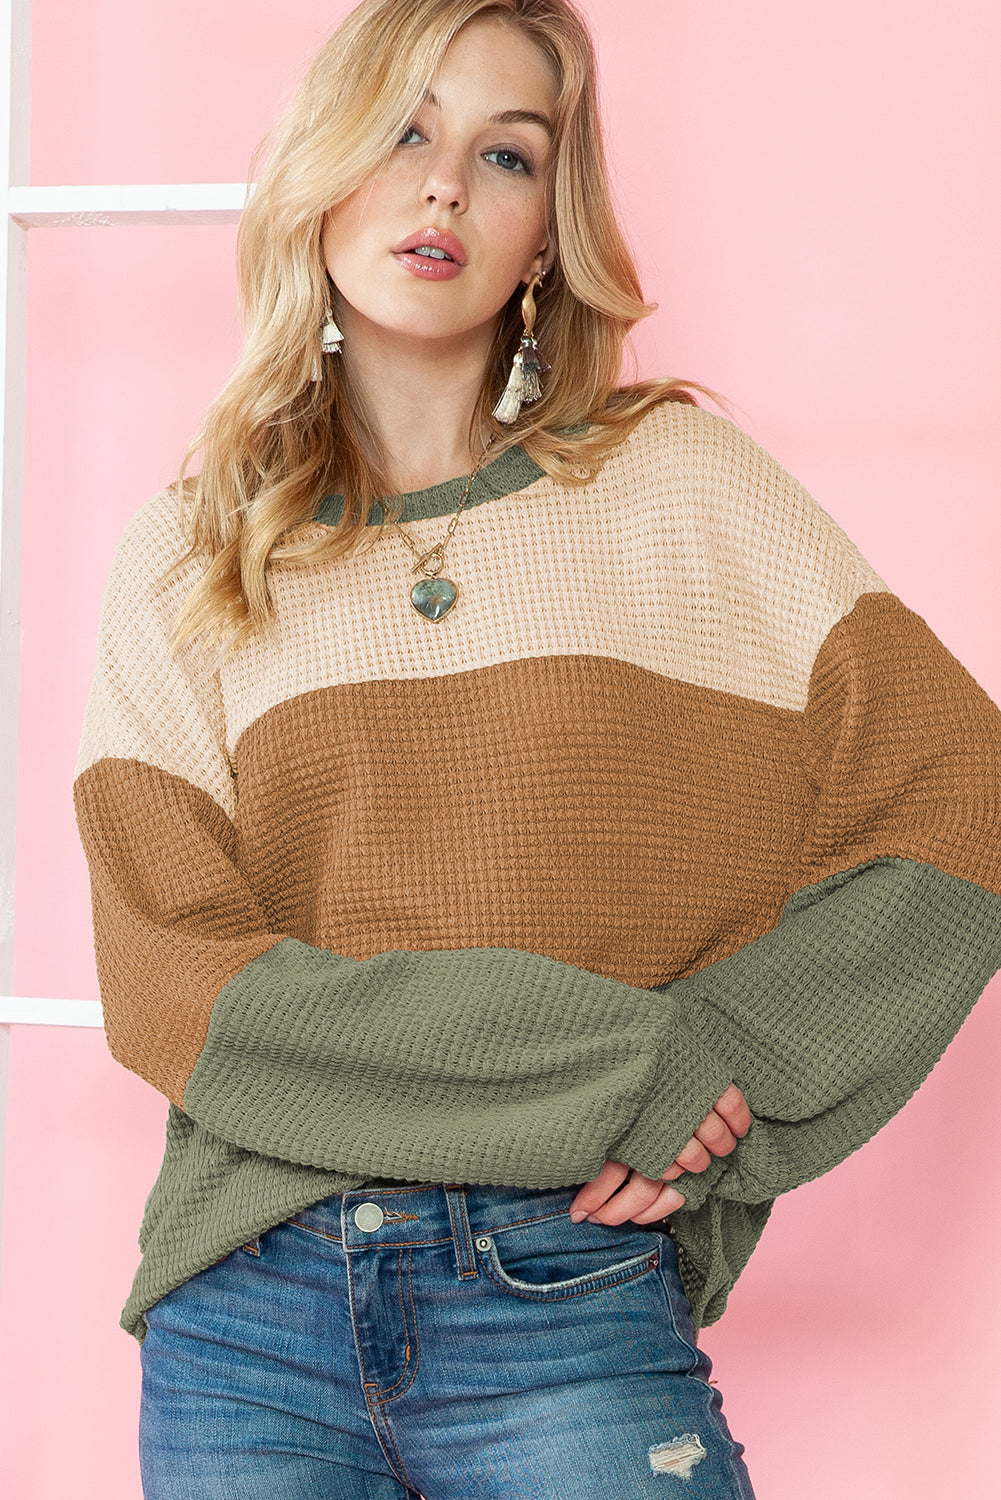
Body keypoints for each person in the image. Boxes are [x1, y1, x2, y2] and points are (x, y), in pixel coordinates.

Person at [73, 1, 1001, 1496]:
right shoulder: (191, 556)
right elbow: (171, 980)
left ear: (547, 234)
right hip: (245, 1309)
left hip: (559, 1283)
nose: (442, 184)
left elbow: (961, 800)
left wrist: (723, 1066)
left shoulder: (679, 488)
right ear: (320, 172)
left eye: (505, 154)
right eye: (402, 130)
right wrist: (624, 1061)